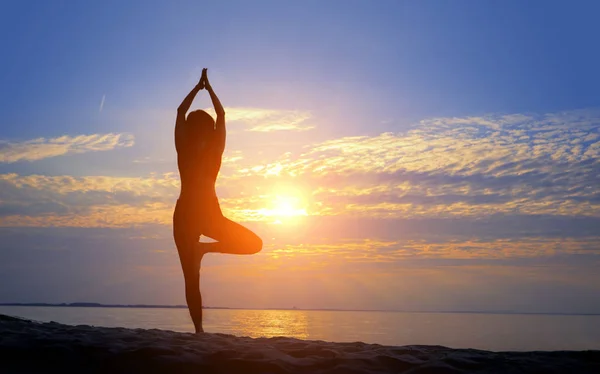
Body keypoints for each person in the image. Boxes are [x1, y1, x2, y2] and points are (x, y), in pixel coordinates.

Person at [173, 68, 262, 333]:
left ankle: (204, 250)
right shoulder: (185, 151)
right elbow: (182, 113)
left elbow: (219, 116)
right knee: (191, 278)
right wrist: (204, 88)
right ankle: (199, 331)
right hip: (186, 217)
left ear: (208, 132)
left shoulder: (214, 152)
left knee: (254, 244)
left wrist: (205, 89)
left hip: (210, 216)